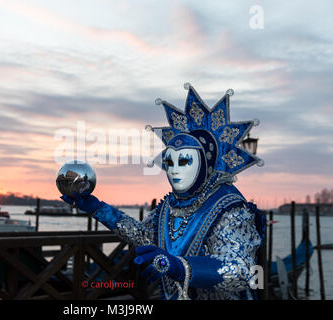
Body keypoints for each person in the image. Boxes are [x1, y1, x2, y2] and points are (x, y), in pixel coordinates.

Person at [61, 84, 266, 300]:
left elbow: (242, 270)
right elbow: (143, 236)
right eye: (169, 161)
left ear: (205, 164)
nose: (174, 168)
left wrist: (179, 267)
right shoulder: (169, 206)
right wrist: (97, 208)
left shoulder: (229, 207)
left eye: (185, 160)